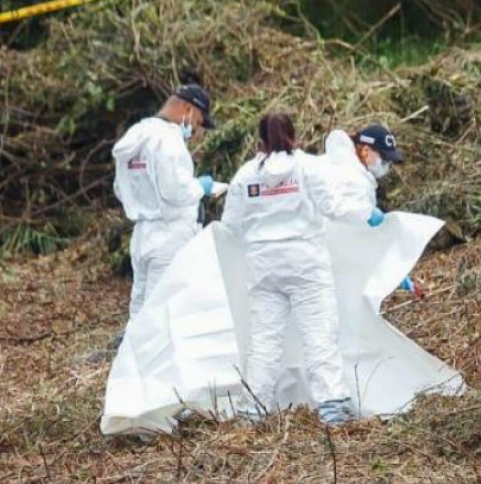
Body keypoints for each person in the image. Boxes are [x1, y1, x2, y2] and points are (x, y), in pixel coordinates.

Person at [221, 113, 384, 426]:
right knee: (320, 334)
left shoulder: (245, 175)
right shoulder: (308, 167)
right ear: (293, 135)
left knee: (264, 342)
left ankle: (252, 411)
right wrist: (367, 213)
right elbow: (334, 208)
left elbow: (231, 226)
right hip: (305, 262)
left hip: (263, 266)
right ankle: (332, 406)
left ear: (261, 138)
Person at [111, 74, 218, 318]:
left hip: (142, 235)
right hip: (169, 234)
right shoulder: (168, 139)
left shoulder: (137, 134)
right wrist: (201, 187)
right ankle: (151, 357)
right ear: (188, 110)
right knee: (161, 313)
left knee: (139, 308)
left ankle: (130, 355)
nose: (195, 130)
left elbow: (120, 188)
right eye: (198, 122)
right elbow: (175, 191)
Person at [322, 123, 421, 297]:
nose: (386, 166)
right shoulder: (353, 179)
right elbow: (359, 233)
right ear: (366, 151)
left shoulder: (338, 166)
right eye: (383, 160)